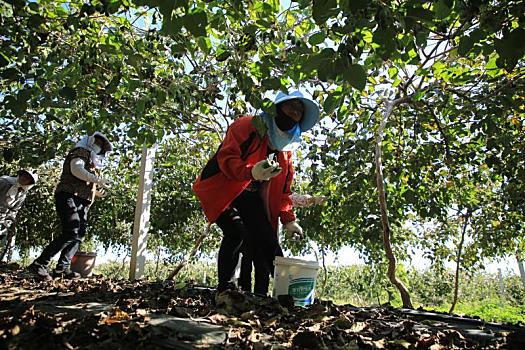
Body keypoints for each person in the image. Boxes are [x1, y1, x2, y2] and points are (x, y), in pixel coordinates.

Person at [192, 90, 320, 295]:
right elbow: (227, 158)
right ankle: (225, 289)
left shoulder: (284, 154)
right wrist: (250, 171)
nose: (294, 113)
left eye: (299, 112)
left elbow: (283, 192)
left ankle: (288, 293)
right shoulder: (247, 126)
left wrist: (288, 219)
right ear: (276, 108)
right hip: (221, 188)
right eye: (291, 107)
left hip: (248, 195)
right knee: (236, 232)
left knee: (267, 240)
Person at [28, 132, 112, 281]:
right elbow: (76, 170)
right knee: (71, 231)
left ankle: (62, 268)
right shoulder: (80, 152)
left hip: (81, 200)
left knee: (78, 234)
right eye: (97, 142)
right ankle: (40, 263)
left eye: (101, 145)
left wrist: (96, 191)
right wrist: (96, 179)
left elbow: (84, 180)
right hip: (68, 195)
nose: (98, 146)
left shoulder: (92, 160)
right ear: (90, 141)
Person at [0, 169, 38, 259]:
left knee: (4, 237)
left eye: (28, 178)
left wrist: (7, 222)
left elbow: (14, 210)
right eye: (24, 175)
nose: (25, 179)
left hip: (3, 218)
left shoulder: (23, 193)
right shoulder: (4, 181)